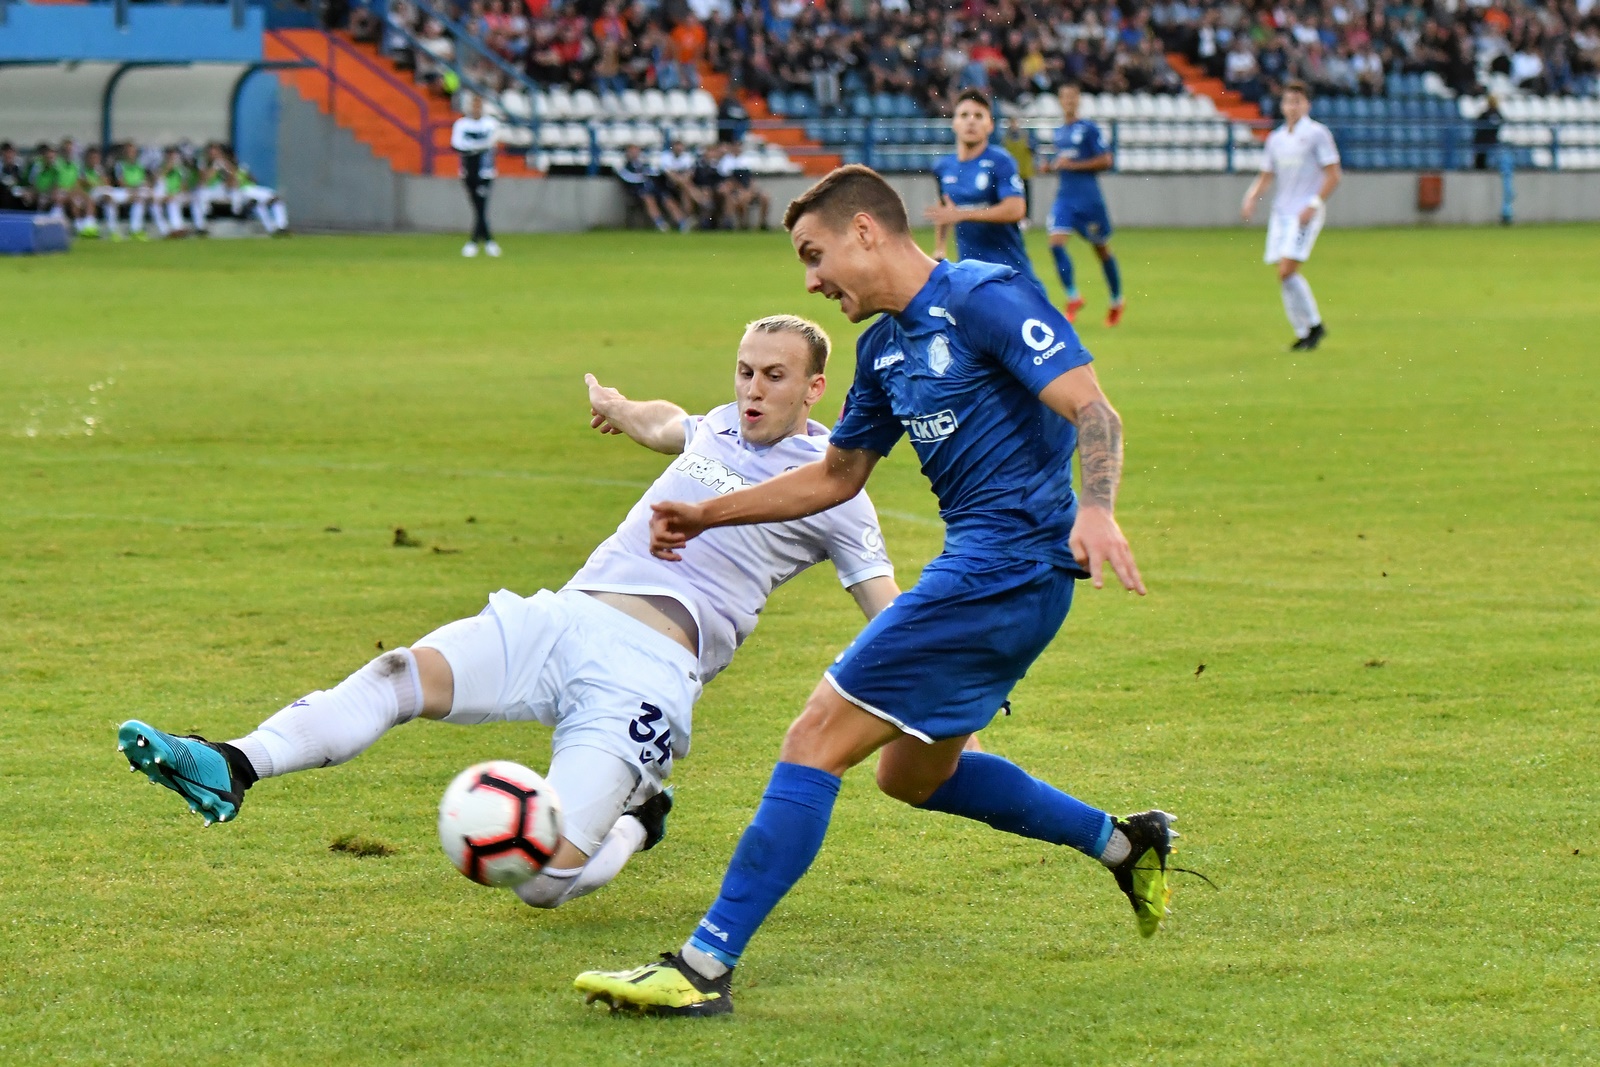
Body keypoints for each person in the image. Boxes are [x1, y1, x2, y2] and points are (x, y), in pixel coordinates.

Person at [575, 165, 1172, 1017]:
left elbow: (1096, 411)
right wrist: (708, 512)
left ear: (865, 232)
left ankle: (703, 966)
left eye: (815, 254)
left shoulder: (984, 299)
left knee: (815, 735)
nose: (810, 279)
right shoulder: (884, 349)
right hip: (999, 579)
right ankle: (1124, 844)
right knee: (913, 774)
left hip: (1006, 567)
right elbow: (835, 477)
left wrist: (1099, 508)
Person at [116, 315, 903, 914]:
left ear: (814, 389)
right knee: (400, 674)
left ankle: (641, 819)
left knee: (542, 884)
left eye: (773, 376)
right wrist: (620, 405)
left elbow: (887, 608)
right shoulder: (722, 422)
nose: (752, 389)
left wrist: (947, 685)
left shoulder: (835, 491)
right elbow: (671, 423)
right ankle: (232, 762)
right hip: (563, 619)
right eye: (743, 372)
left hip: (649, 676)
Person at [1241, 80, 1341, 351]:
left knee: (1287, 270)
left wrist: (1315, 203)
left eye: (1297, 101)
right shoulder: (1276, 139)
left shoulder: (1317, 134)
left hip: (1304, 213)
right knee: (1282, 274)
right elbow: (1266, 176)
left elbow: (1334, 174)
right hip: (1281, 212)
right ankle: (1307, 329)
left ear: (1306, 104)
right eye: (1287, 102)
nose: (1292, 107)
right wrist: (1251, 197)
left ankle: (1314, 326)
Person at [923, 89, 1048, 300]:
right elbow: (946, 208)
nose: (971, 121)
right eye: (964, 115)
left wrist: (963, 214)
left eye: (978, 116)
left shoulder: (1001, 161)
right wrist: (940, 247)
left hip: (1011, 276)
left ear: (990, 125)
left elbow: (1016, 209)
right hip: (973, 280)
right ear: (954, 124)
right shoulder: (944, 167)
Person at [1047, 82, 1125, 327]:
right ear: (1060, 101)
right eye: (1064, 97)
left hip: (1089, 200)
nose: (1068, 101)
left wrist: (1073, 166)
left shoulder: (1089, 129)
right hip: (1065, 198)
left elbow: (1105, 160)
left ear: (1078, 100)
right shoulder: (1059, 132)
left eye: (1072, 97)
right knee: (1055, 244)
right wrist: (1051, 166)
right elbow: (1063, 162)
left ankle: (1116, 300)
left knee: (1101, 249)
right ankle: (1073, 296)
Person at [452, 95, 502, 258]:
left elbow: (492, 143)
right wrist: (478, 147)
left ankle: (476, 242)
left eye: (478, 106)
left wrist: (474, 147)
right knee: (478, 207)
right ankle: (488, 241)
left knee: (481, 206)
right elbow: (457, 145)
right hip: (468, 170)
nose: (476, 109)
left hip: (486, 171)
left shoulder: (490, 123)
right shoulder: (461, 124)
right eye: (473, 105)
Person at [617, 144, 690, 232]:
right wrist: (643, 176)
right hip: (637, 190)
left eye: (636, 151)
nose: (634, 153)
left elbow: (654, 173)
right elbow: (627, 177)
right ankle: (660, 223)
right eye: (632, 151)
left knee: (667, 198)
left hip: (652, 188)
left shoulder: (644, 164)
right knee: (648, 198)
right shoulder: (624, 165)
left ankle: (682, 222)